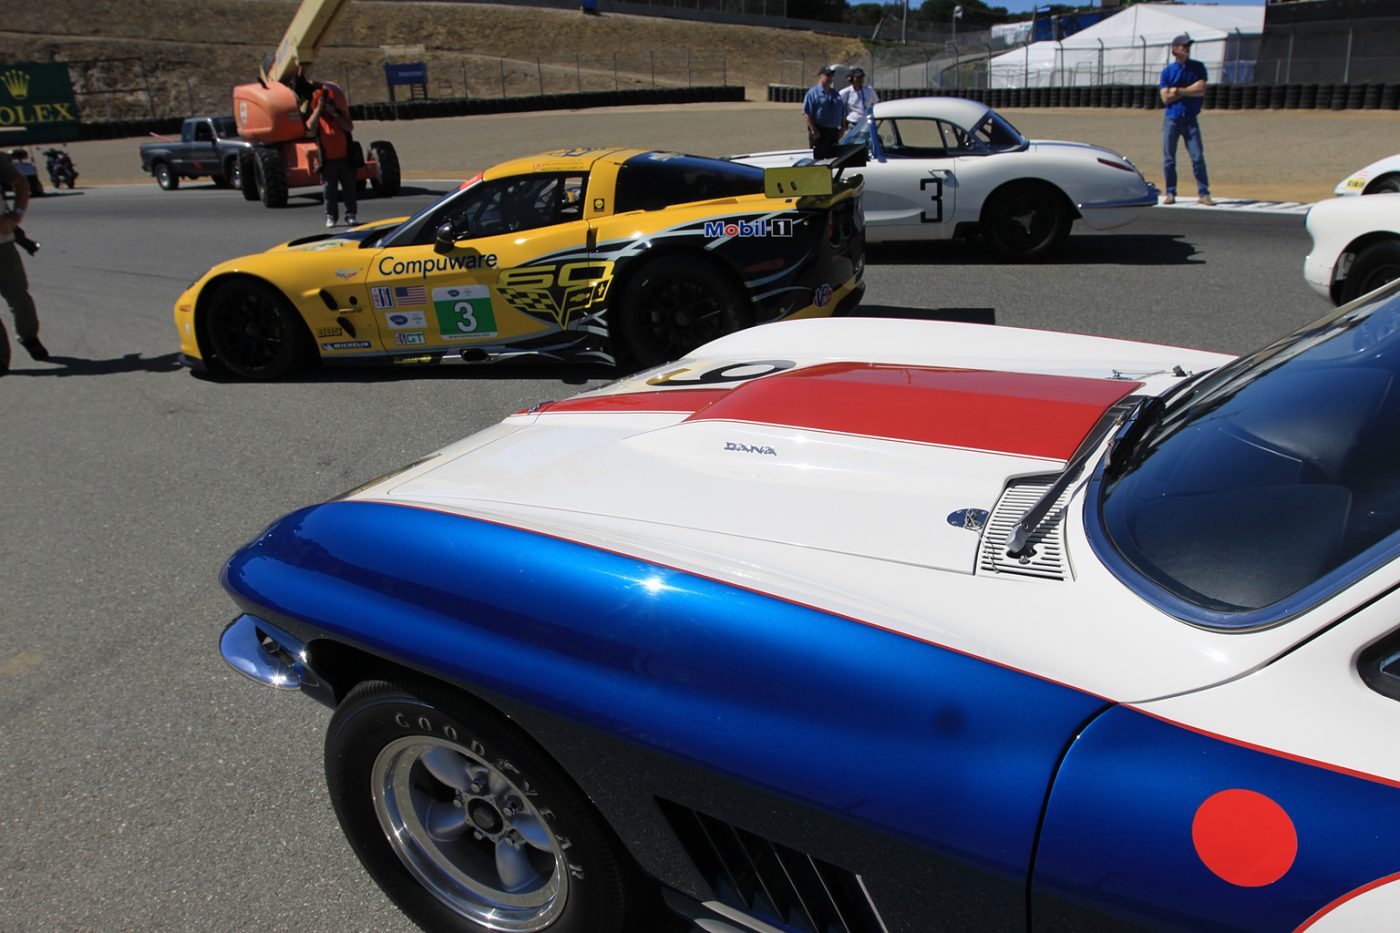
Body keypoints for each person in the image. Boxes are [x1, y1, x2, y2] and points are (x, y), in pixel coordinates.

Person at [0, 149, 45, 374]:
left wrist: (16, 214)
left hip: (1, 244)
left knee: (18, 297)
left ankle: (28, 337)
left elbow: (20, 182)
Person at [1159, 34, 1214, 206]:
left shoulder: (1198, 67)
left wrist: (1178, 90)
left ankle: (1204, 193)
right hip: (1172, 119)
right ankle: (1170, 192)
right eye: (1183, 46)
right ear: (1175, 49)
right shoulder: (1168, 72)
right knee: (1169, 158)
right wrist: (1188, 90)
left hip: (1190, 119)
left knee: (1197, 157)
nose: (1186, 48)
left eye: (1188, 46)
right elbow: (1165, 98)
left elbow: (1201, 90)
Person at [308, 83, 358, 227]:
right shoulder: (318, 119)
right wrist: (318, 109)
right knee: (329, 191)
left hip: (345, 158)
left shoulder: (339, 113)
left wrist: (334, 113)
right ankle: (330, 216)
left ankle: (351, 214)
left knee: (349, 189)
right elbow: (310, 128)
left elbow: (349, 127)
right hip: (328, 161)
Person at [802, 65, 843, 152]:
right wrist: (814, 129)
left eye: (831, 75)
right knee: (819, 159)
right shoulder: (813, 93)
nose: (830, 78)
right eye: (827, 75)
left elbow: (842, 112)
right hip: (819, 132)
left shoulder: (836, 94)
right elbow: (806, 113)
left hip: (833, 132)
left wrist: (842, 129)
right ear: (820, 77)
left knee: (834, 159)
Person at [839, 66, 879, 132]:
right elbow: (840, 108)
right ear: (851, 79)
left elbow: (876, 103)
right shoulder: (845, 93)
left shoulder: (869, 90)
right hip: (852, 124)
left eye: (862, 77)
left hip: (867, 123)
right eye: (858, 77)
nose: (861, 79)